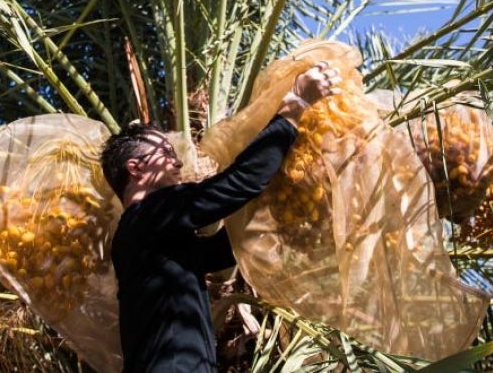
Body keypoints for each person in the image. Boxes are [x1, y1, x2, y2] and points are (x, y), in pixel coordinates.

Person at [100, 62, 341, 372]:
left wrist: (289, 202)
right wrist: (297, 102)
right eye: (165, 152)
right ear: (135, 168)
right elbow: (240, 182)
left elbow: (224, 249)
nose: (176, 162)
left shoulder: (147, 236)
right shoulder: (148, 214)